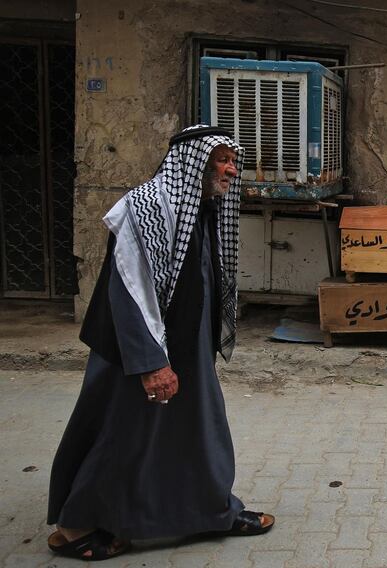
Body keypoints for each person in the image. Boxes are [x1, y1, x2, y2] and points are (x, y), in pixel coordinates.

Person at [46, 125, 274, 561]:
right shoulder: (149, 208)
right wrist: (151, 362)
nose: (230, 168)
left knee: (199, 432)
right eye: (221, 159)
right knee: (122, 435)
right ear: (193, 161)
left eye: (232, 160)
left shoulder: (204, 208)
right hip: (138, 351)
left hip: (187, 348)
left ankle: (212, 511)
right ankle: (75, 525)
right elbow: (127, 292)